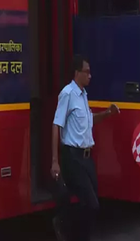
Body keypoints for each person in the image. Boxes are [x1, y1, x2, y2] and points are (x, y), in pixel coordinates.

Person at [51, 55, 120, 241]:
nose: (90, 76)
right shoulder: (67, 94)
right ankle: (64, 224)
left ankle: (75, 232)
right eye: (86, 72)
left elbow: (89, 122)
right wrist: (55, 161)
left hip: (87, 158)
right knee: (91, 205)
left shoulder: (83, 95)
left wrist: (107, 113)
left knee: (92, 203)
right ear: (77, 73)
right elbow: (56, 125)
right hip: (72, 158)